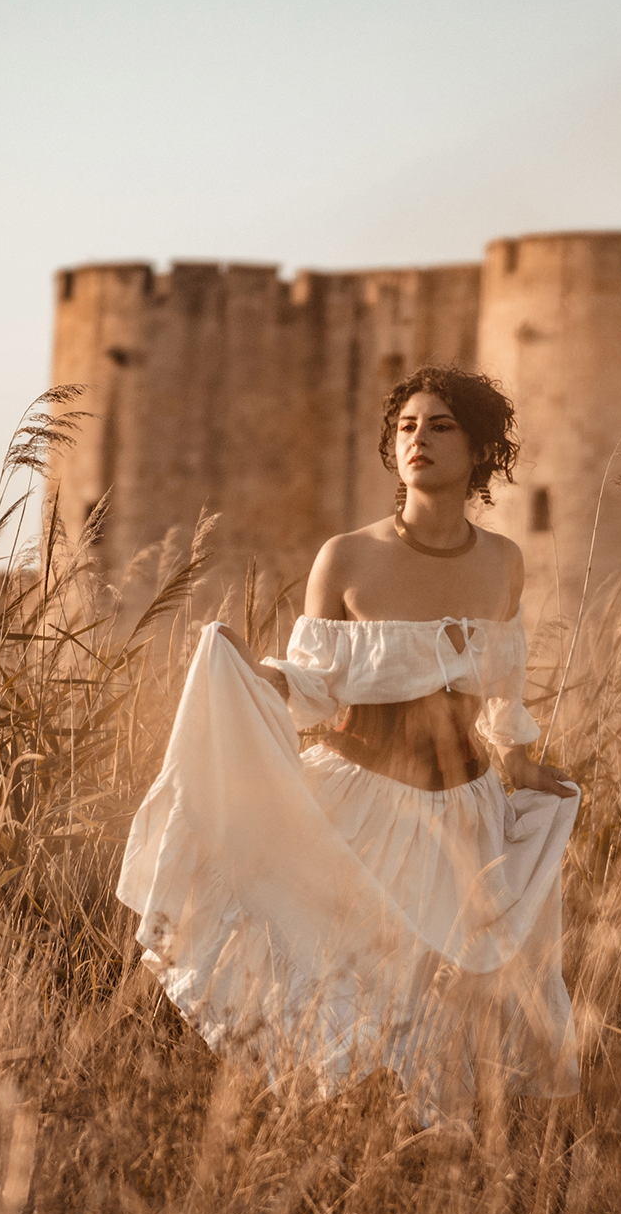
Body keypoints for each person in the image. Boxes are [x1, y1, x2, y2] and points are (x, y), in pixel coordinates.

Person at [115, 365, 581, 1128]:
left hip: (460, 820)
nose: (418, 440)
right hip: (360, 804)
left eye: (440, 426)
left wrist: (523, 762)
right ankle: (318, 1154)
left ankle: (423, 1181)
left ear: (480, 450)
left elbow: (501, 692)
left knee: (436, 1019)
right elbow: (315, 684)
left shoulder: (503, 563)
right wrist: (248, 671)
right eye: (406, 427)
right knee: (350, 999)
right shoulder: (347, 558)